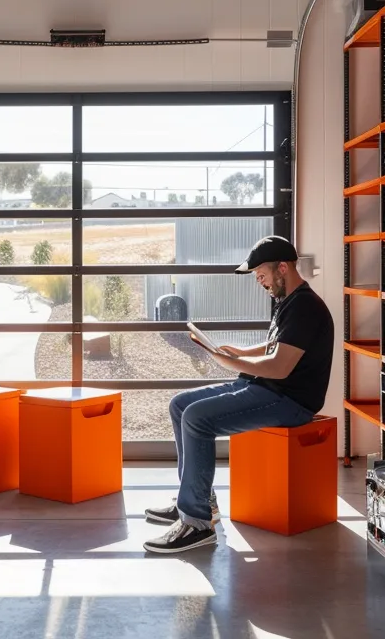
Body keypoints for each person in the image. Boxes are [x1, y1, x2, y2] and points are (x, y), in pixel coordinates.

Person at [142, 236, 334, 554]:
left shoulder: (305, 307)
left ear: (282, 268)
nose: (259, 281)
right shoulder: (290, 300)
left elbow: (280, 366)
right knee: (180, 405)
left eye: (261, 274)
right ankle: (198, 499)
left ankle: (197, 523)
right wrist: (242, 351)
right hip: (265, 387)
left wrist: (231, 361)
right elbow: (277, 346)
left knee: (197, 418)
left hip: (291, 401)